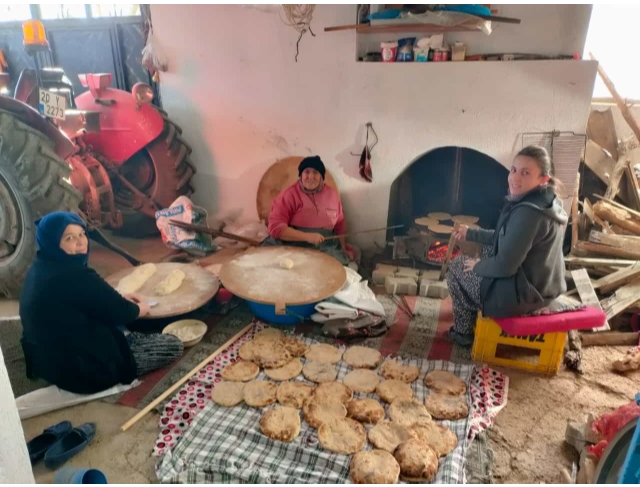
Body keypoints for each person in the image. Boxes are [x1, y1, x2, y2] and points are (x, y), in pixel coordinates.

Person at [20, 212, 183, 394]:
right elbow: (122, 312)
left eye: (82, 234)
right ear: (52, 242)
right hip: (82, 372)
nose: (81, 242)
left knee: (121, 320)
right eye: (70, 238)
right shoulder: (77, 276)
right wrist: (139, 309)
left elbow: (89, 300)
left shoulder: (40, 267)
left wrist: (119, 301)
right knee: (173, 344)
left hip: (46, 363)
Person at [446, 146, 568, 347]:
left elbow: (505, 266)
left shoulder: (528, 213)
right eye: (513, 170)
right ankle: (469, 310)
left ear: (543, 179)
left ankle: (463, 333)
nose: (515, 178)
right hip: (542, 284)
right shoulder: (546, 200)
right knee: (483, 252)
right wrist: (471, 233)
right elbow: (507, 239)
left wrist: (477, 266)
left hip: (524, 296)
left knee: (457, 267)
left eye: (525, 173)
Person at [266, 156, 357, 265]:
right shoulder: (289, 194)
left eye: (315, 172)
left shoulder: (332, 195)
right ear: (301, 175)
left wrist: (342, 248)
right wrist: (307, 237)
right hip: (293, 245)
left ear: (321, 177)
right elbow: (276, 228)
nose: (311, 176)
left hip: (326, 246)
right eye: (306, 172)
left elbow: (339, 224)